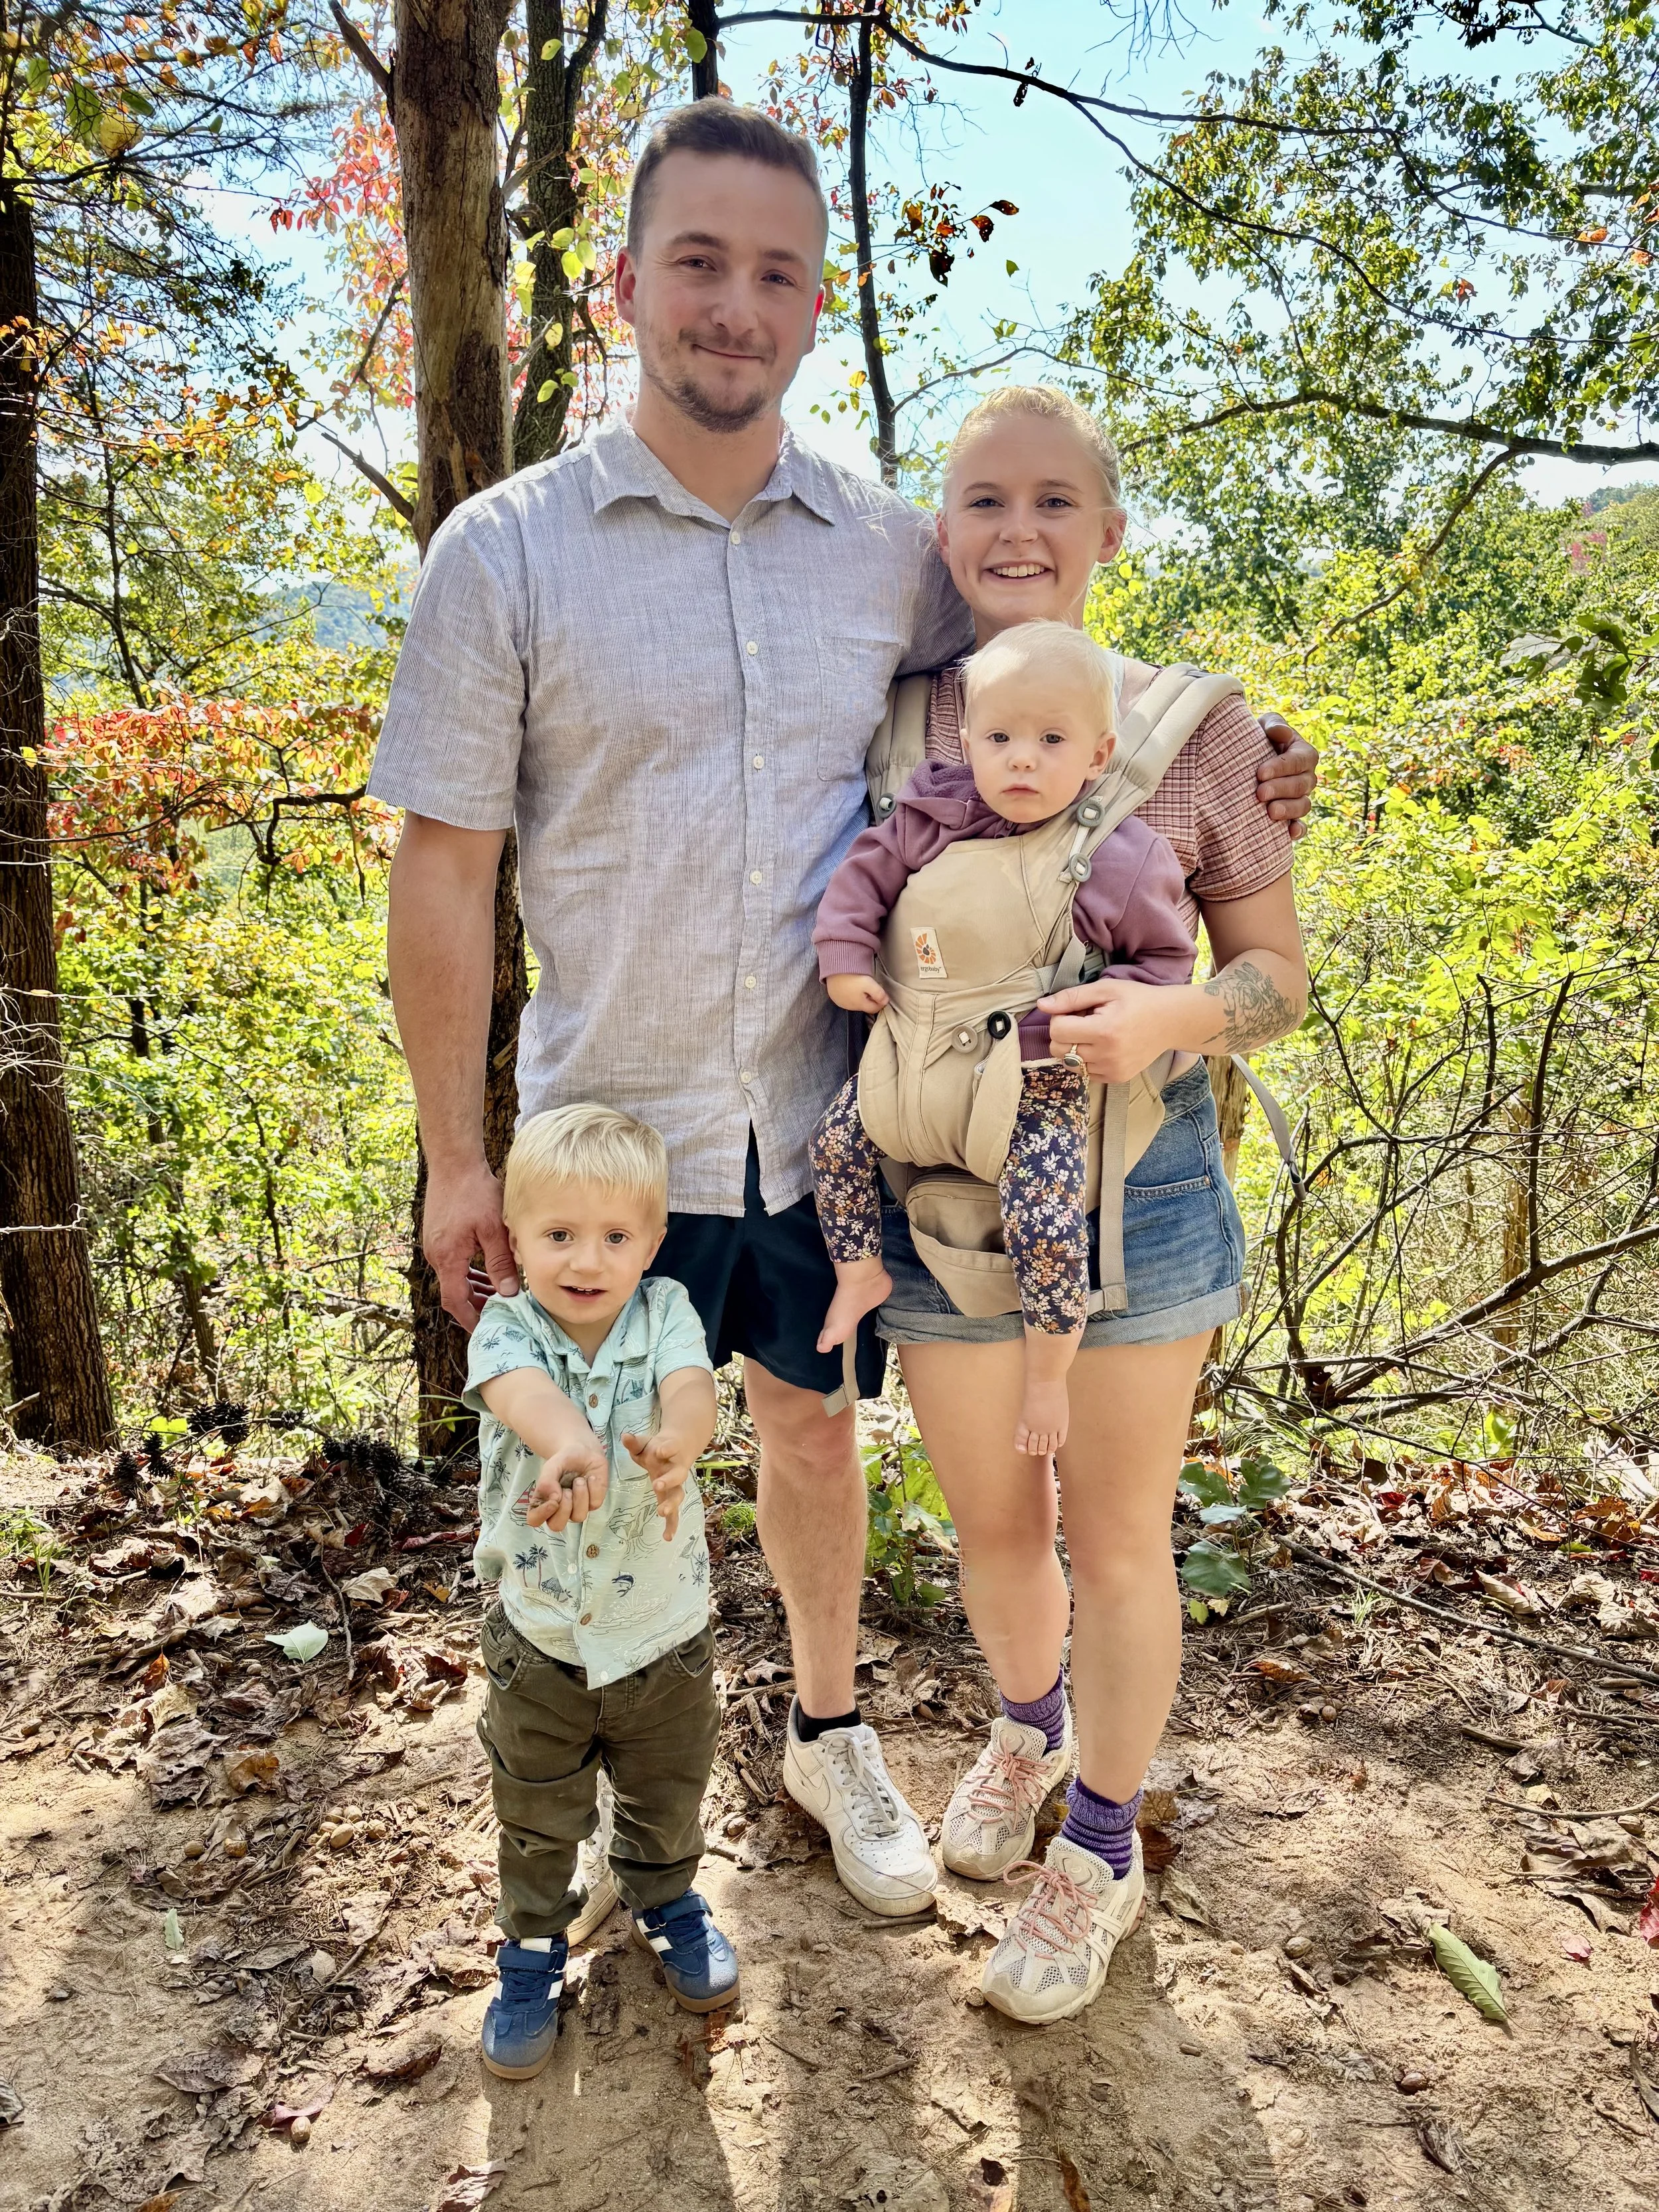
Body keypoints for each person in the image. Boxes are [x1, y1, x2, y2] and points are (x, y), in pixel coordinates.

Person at [368, 102, 1319, 1921]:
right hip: (607, 1134)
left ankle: (823, 1730)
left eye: (776, 274)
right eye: (699, 263)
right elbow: (442, 868)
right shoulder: (502, 554)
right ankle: (583, 1837)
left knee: (809, 1431)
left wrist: (1249, 748)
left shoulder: (884, 550)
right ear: (623, 285)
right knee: (601, 1480)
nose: (736, 305)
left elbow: (1056, 691)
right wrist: (450, 1153)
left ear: (813, 308)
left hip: (826, 1116)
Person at [873, 384, 1311, 2023]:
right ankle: (1023, 1725)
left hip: (1151, 1183)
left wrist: (1181, 1014)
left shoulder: (1195, 731)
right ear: (944, 530)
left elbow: (1276, 974)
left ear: (1108, 533)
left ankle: (1103, 1852)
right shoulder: (899, 722)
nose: (1019, 531)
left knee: (1118, 1537)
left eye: (1057, 502)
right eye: (986, 500)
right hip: (950, 1188)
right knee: (991, 1521)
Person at [808, 621, 1196, 1456]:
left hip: (1035, 1081)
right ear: (969, 740)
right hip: (917, 1055)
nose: (1022, 759)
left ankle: (1048, 1372)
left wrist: (1097, 1010)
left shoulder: (1120, 856)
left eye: (1051, 740)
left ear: (1097, 756)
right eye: (1000, 738)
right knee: (836, 1145)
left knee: (1045, 1219)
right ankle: (857, 1271)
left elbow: (1164, 963)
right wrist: (843, 957)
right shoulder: (933, 812)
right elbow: (860, 881)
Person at [465, 1102, 732, 2079]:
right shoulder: (507, 1325)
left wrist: (680, 1443)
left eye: (615, 1236)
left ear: (652, 1242)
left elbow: (693, 1385)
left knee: (667, 1792)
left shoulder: (666, 1311)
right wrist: (570, 1442)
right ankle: (532, 1946)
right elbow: (521, 1395)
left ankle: (666, 1898)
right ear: (517, 1237)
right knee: (538, 1809)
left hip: (662, 1634)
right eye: (559, 1234)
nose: (587, 1259)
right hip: (540, 1640)